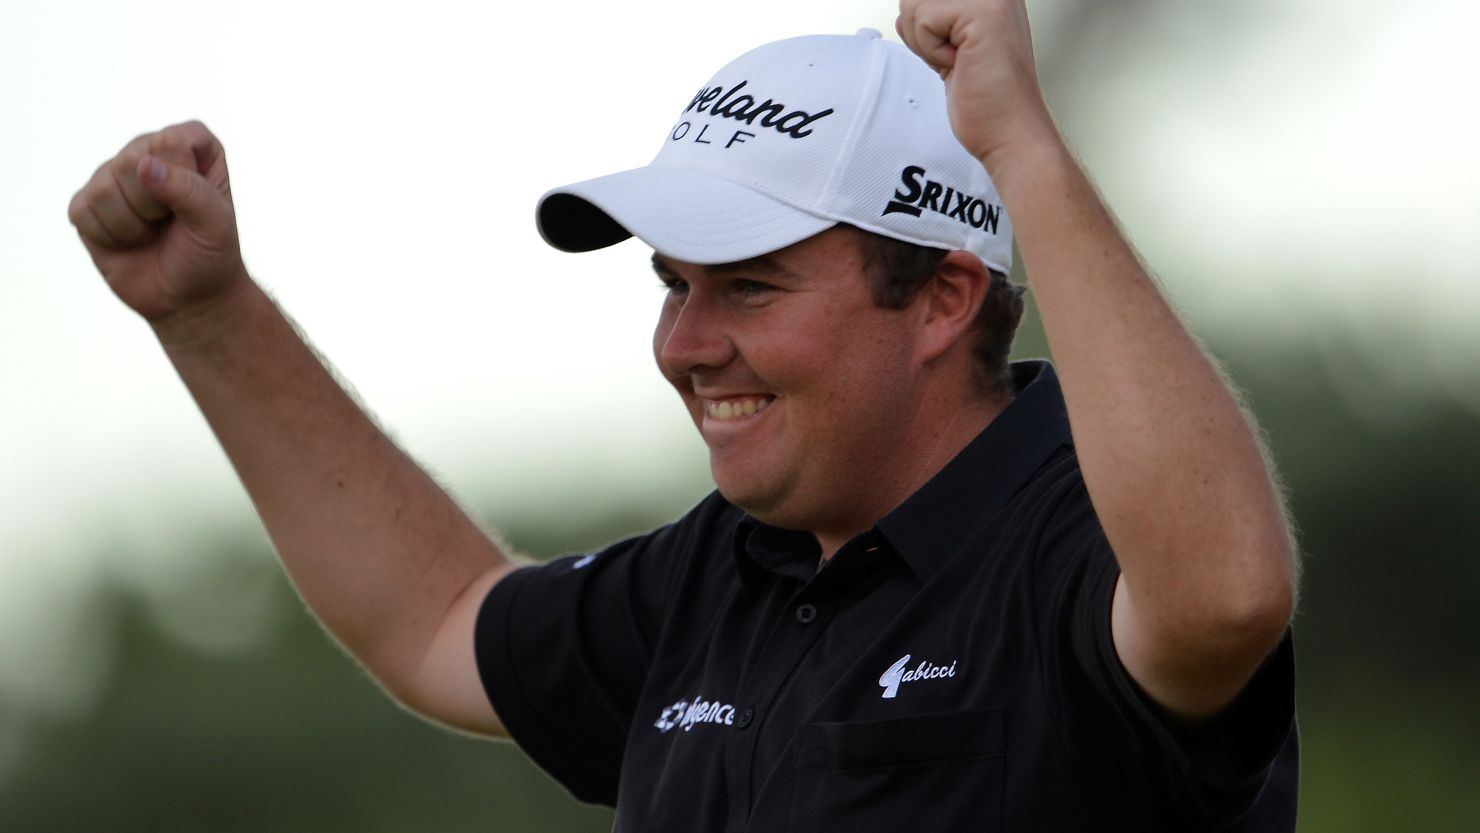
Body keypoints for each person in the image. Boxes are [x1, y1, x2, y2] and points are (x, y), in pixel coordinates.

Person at [68, 0, 1299, 830]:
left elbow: (1224, 590)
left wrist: (1020, 151)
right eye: (673, 283)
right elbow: (437, 616)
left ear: (940, 299)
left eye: (749, 284)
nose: (684, 344)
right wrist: (209, 314)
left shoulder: (1081, 544)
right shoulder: (721, 570)